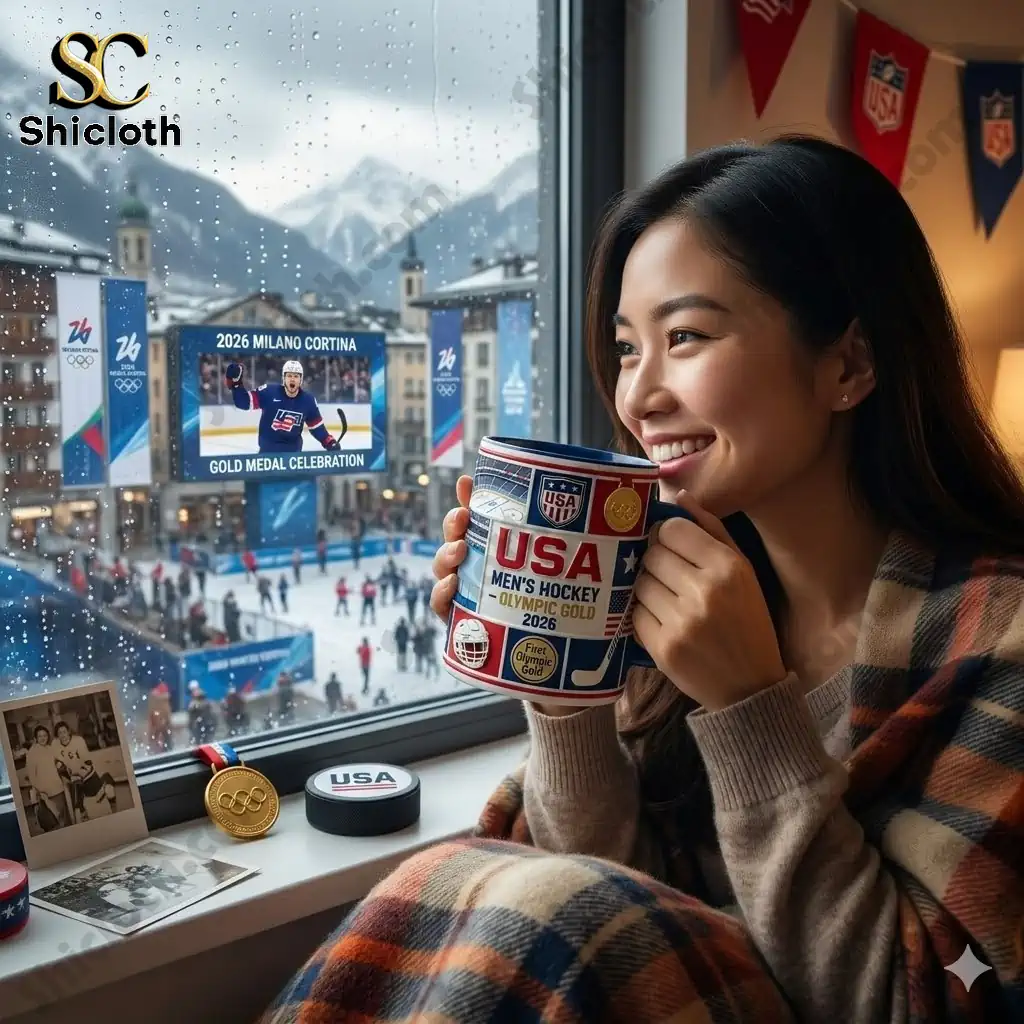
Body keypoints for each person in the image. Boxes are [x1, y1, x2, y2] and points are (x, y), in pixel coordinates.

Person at [261, 137, 1024, 1022]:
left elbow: (931, 1000)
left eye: (686, 337)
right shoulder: (664, 602)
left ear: (848, 365)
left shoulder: (996, 638)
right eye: (627, 349)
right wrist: (563, 686)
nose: (638, 397)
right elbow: (596, 891)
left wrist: (749, 707)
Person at [224, 359, 341, 455]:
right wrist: (235, 384)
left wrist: (329, 442)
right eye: (289, 376)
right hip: (267, 456)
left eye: (296, 376)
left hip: (293, 458)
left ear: (301, 379)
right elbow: (243, 402)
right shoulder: (269, 392)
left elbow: (317, 428)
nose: (292, 379)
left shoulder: (308, 400)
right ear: (283, 378)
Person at [54, 721, 118, 821]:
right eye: (60, 733)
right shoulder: (56, 745)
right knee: (80, 806)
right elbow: (58, 762)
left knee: (105, 793)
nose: (63, 735)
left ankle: (111, 801)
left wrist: (80, 772)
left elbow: (87, 762)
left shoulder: (78, 740)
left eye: (64, 732)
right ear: (57, 735)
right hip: (76, 780)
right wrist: (63, 770)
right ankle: (84, 816)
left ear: (68, 732)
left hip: (88, 775)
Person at [24, 724, 70, 830]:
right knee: (53, 823)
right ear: (35, 738)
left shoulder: (50, 748)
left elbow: (61, 759)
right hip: (46, 794)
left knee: (64, 820)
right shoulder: (32, 753)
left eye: (45, 735)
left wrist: (60, 763)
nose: (43, 738)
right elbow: (32, 777)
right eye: (40, 736)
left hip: (58, 788)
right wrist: (41, 792)